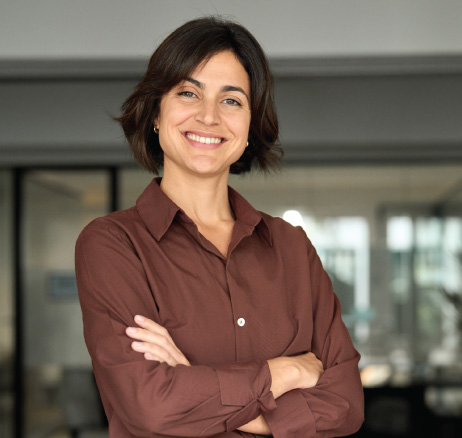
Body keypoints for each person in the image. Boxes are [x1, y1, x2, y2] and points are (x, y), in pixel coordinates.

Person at [75, 16, 364, 438]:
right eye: (188, 93)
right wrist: (278, 374)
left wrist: (193, 379)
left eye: (231, 100)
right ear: (157, 112)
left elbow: (346, 404)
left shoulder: (291, 247)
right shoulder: (112, 245)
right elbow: (150, 406)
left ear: (249, 127)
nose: (208, 117)